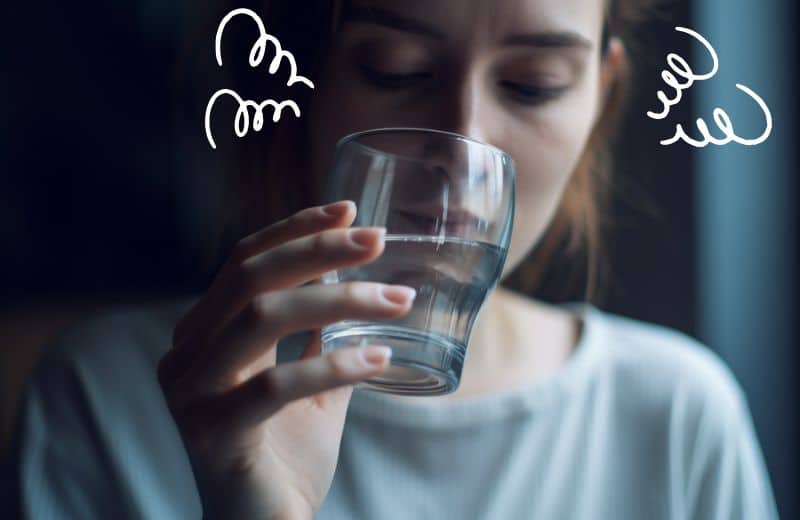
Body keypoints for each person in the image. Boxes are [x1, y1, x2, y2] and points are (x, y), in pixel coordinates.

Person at [7, 0, 779, 518]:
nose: (462, 148)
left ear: (601, 100)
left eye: (532, 85)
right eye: (396, 70)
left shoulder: (676, 414)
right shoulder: (109, 397)